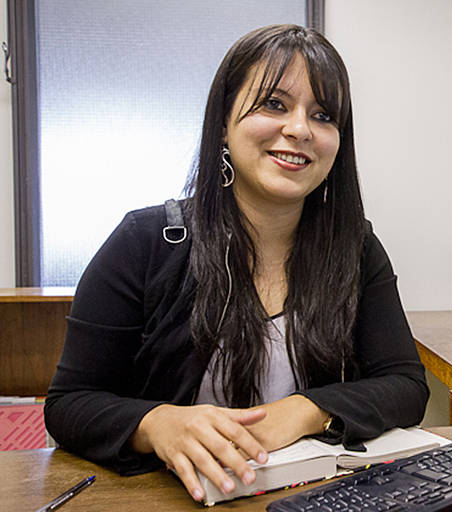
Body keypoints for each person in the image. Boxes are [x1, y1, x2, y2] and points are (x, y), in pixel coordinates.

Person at [44, 24, 429, 503]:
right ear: (223, 122)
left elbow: (406, 386)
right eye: (274, 104)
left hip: (304, 496)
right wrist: (157, 424)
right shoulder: (145, 241)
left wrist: (304, 410)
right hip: (168, 496)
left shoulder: (355, 248)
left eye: (323, 114)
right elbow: (69, 405)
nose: (299, 129)